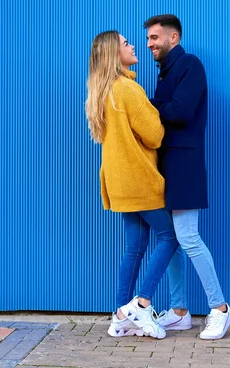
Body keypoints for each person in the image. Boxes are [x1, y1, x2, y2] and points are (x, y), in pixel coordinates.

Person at [143, 14, 230, 340]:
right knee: (174, 240)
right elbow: (167, 111)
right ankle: (180, 311)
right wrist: (159, 104)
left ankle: (220, 308)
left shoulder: (190, 65)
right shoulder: (166, 72)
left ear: (173, 38)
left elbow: (179, 111)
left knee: (188, 237)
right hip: (167, 164)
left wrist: (147, 104)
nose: (150, 43)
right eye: (149, 38)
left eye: (155, 38)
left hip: (185, 164)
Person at [84, 30, 179, 340]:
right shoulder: (128, 89)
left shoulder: (102, 91)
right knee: (169, 236)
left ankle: (120, 315)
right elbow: (155, 135)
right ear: (115, 55)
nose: (134, 46)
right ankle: (139, 304)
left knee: (135, 248)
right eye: (126, 44)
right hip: (139, 179)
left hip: (118, 181)